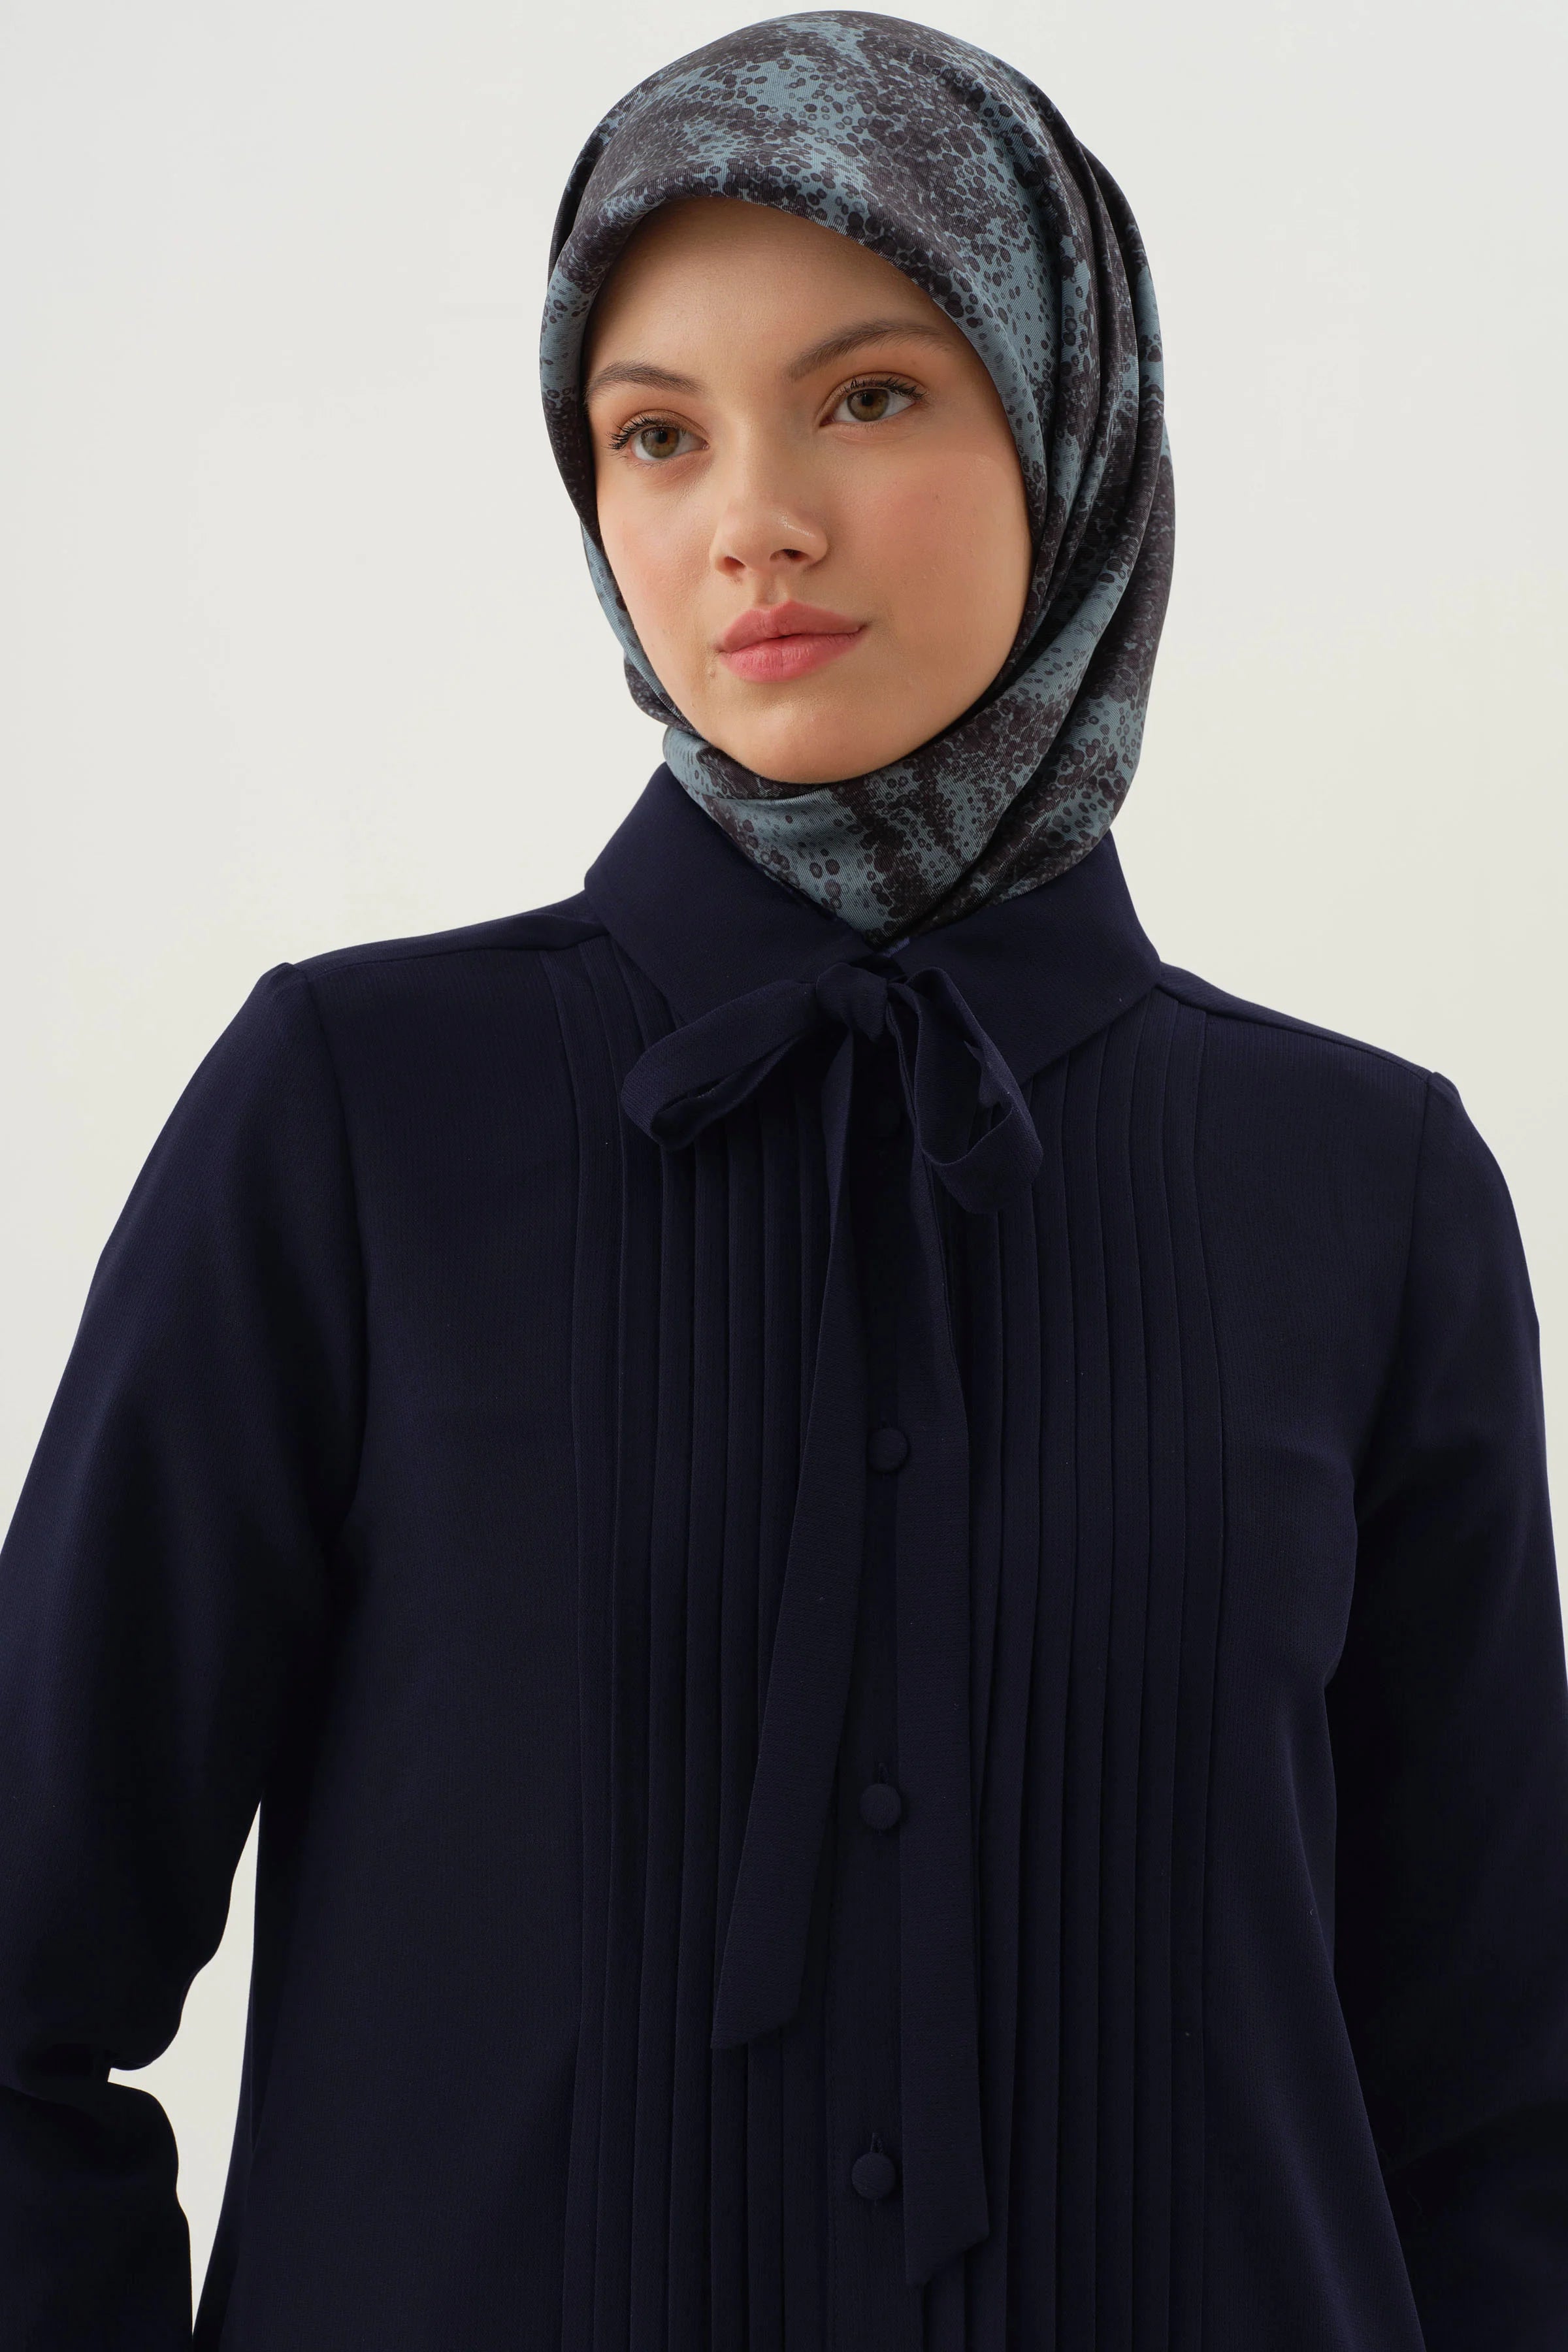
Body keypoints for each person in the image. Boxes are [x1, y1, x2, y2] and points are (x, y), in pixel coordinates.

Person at [1, 12, 1564, 2347]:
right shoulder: (345, 1116)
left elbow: (1502, 2115)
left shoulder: (1372, 1189)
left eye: (872, 396)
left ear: (1073, 418)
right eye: (657, 433)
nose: (754, 521)